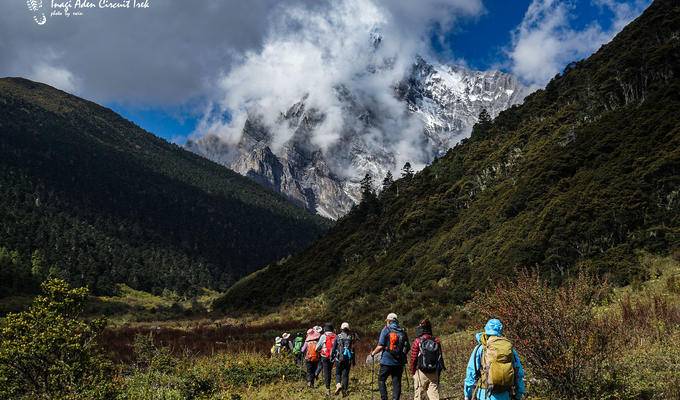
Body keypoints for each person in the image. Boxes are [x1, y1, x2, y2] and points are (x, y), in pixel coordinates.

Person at [464, 319, 525, 400]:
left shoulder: (480, 348)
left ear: (486, 329)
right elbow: (518, 372)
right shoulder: (509, 349)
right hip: (505, 395)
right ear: (500, 330)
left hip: (485, 395)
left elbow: (471, 373)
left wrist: (467, 395)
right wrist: (519, 394)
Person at [370, 313, 409, 400]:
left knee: (381, 379)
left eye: (387, 321)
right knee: (397, 382)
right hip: (399, 362)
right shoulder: (402, 330)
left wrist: (373, 353)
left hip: (387, 361)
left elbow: (380, 346)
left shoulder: (386, 330)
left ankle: (384, 398)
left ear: (389, 321)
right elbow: (408, 347)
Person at [410, 319, 444, 400]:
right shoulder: (436, 340)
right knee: (434, 394)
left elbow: (414, 358)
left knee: (419, 394)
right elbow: (439, 356)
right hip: (434, 370)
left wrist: (413, 370)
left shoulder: (417, 341)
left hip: (421, 371)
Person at [331, 322, 356, 397]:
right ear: (348, 329)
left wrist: (332, 357)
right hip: (347, 359)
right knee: (345, 375)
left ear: (341, 329)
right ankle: (344, 391)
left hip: (339, 358)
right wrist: (353, 361)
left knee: (338, 373)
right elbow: (353, 349)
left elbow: (334, 348)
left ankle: (338, 384)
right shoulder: (351, 337)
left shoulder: (338, 337)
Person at [316, 323, 337, 396]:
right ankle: (330, 386)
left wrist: (319, 350)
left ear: (325, 329)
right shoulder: (335, 336)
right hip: (333, 356)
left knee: (326, 372)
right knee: (329, 371)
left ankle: (327, 389)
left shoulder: (323, 336)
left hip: (324, 356)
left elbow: (317, 347)